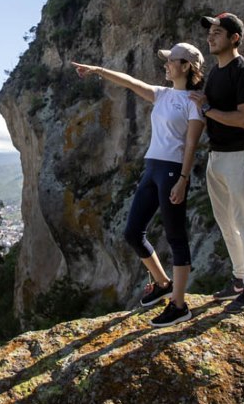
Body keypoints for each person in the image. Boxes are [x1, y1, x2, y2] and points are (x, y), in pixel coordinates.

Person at [72, 42, 205, 328]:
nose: (166, 65)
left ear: (186, 66)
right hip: (152, 168)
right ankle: (162, 283)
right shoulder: (163, 94)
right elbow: (131, 83)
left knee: (176, 237)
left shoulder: (194, 102)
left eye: (172, 61)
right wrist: (98, 70)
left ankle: (179, 305)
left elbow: (192, 143)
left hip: (172, 171)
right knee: (133, 232)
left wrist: (183, 179)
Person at [189, 12, 244, 313]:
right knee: (226, 222)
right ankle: (238, 278)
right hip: (217, 155)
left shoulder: (243, 71)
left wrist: (207, 108)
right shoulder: (216, 73)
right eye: (210, 31)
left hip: (240, 153)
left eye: (218, 32)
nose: (211, 36)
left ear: (234, 38)